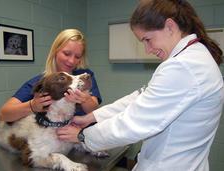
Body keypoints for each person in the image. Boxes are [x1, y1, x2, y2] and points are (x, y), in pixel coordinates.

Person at [56, 0, 224, 170]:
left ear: (170, 26)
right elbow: (140, 98)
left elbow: (134, 122)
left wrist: (83, 136)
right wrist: (91, 118)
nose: (147, 49)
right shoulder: (192, 59)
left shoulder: (183, 67)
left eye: (148, 39)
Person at [0, 29, 102, 122]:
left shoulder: (83, 76)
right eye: (66, 53)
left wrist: (85, 100)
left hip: (81, 137)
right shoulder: (42, 82)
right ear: (55, 51)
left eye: (77, 56)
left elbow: (95, 111)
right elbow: (3, 115)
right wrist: (32, 106)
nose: (71, 61)